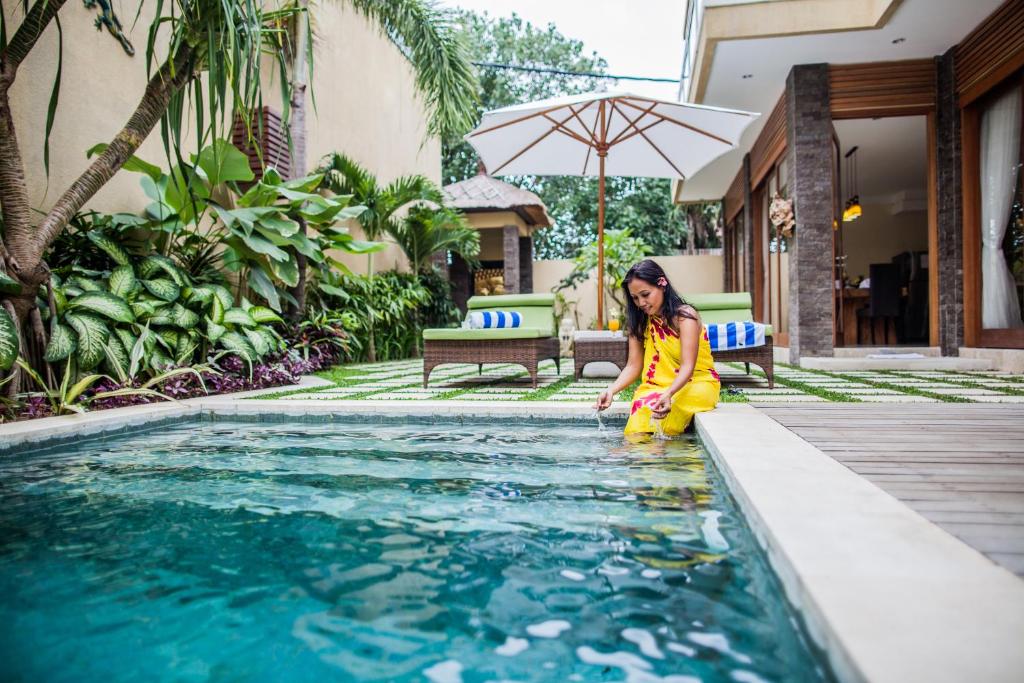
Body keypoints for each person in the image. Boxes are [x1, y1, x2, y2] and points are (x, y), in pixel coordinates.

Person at [594, 259, 720, 437]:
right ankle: (644, 460)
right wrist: (611, 390)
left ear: (662, 285)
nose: (641, 302)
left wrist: (669, 393)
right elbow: (633, 366)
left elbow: (688, 367)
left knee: (665, 413)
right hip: (656, 386)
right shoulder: (639, 322)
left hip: (697, 384)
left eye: (645, 294)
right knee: (640, 412)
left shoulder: (685, 317)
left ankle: (655, 459)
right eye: (635, 298)